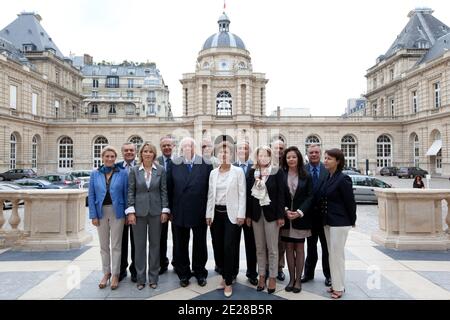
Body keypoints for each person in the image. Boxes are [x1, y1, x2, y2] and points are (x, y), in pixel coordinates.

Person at [169, 137, 213, 287]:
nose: (188, 148)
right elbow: (169, 188)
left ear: (195, 148)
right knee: (181, 244)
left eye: (190, 146)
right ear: (181, 149)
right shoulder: (174, 163)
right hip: (179, 210)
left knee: (200, 243)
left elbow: (210, 189)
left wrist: (209, 211)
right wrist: (169, 210)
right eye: (185, 146)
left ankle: (200, 272)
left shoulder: (206, 164)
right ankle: (184, 273)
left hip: (199, 210)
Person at [126, 142, 169, 290]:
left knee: (155, 245)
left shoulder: (161, 170)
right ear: (141, 154)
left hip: (156, 212)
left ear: (154, 154)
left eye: (150, 151)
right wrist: (130, 211)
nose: (148, 154)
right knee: (139, 246)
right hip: (138, 213)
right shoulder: (134, 171)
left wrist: (165, 210)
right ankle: (140, 278)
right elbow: (131, 191)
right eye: (145, 151)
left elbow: (164, 191)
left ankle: (153, 278)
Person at [206, 142, 246, 297]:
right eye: (221, 152)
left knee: (229, 247)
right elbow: (210, 194)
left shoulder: (238, 172)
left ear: (232, 155)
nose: (224, 155)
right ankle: (224, 274)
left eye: (227, 152)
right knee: (217, 247)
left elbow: (242, 194)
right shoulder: (213, 173)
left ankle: (228, 282)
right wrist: (208, 214)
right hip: (216, 214)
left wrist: (241, 214)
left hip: (233, 215)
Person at [88, 145, 128, 290]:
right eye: (107, 156)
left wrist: (127, 213)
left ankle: (116, 274)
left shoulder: (122, 173)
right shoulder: (95, 174)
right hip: (101, 213)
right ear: (102, 157)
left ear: (115, 158)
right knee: (104, 246)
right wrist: (93, 215)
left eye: (112, 156)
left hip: (117, 212)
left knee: (116, 245)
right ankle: (106, 273)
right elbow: (91, 195)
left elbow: (126, 194)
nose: (110, 159)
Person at [246, 146, 285, 294]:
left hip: (272, 215)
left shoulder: (277, 172)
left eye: (266, 155)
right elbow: (249, 197)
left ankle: (273, 277)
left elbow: (281, 194)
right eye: (260, 155)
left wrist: (281, 216)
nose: (263, 158)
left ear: (270, 157)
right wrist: (248, 215)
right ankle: (262, 275)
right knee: (259, 247)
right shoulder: (252, 172)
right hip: (256, 215)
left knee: (273, 248)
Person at [320, 148, 357, 299]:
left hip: (339, 222)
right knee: (332, 255)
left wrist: (352, 220)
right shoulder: (329, 177)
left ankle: (339, 288)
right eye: (326, 158)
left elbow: (350, 202)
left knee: (337, 255)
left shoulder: (343, 179)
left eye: (329, 158)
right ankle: (335, 283)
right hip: (328, 222)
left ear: (338, 161)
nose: (326, 161)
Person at [281, 146, 313, 293]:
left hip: (301, 218)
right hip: (286, 218)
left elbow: (310, 196)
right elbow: (278, 195)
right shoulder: (281, 174)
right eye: (288, 157)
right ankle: (291, 279)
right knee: (288, 248)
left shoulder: (306, 175)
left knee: (299, 249)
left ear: (298, 158)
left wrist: (300, 212)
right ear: (285, 160)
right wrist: (286, 210)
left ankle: (298, 280)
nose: (291, 159)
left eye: (294, 157)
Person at [302, 144, 332, 287]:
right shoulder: (303, 170)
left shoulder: (327, 169)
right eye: (311, 152)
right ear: (307, 154)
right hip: (308, 216)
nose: (314, 154)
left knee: (326, 247)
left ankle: (329, 275)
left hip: (325, 216)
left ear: (320, 154)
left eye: (316, 152)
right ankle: (308, 273)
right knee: (311, 246)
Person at [233, 141, 258, 286]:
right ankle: (233, 272)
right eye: (240, 148)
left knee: (252, 244)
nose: (243, 150)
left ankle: (252, 273)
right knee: (233, 243)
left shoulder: (255, 167)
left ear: (250, 151)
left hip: (251, 213)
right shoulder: (231, 167)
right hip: (234, 212)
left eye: (246, 148)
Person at [117, 142, 137, 283]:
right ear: (122, 152)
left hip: (138, 210)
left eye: (131, 150)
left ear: (135, 152)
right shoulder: (116, 167)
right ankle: (122, 269)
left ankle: (135, 270)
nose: (129, 152)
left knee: (137, 242)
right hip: (121, 210)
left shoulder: (141, 166)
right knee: (121, 242)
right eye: (126, 150)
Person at [157, 135, 175, 275]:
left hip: (176, 206)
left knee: (178, 236)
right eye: (164, 146)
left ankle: (177, 262)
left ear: (173, 146)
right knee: (160, 236)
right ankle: (161, 263)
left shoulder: (179, 161)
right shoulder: (155, 162)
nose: (167, 148)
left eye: (169, 145)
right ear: (161, 147)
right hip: (159, 206)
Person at [271, 139, 287, 281]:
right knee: (268, 241)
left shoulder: (288, 164)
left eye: (281, 148)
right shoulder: (267, 164)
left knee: (281, 242)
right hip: (270, 209)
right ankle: (266, 268)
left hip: (286, 210)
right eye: (276, 148)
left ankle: (279, 267)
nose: (279, 150)